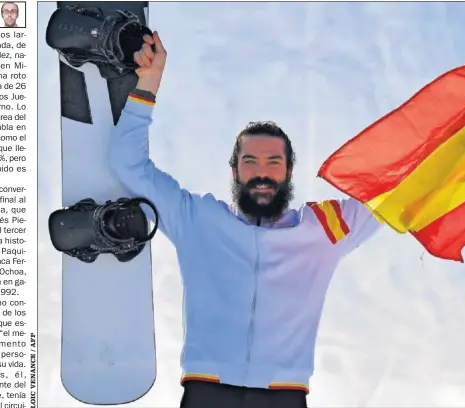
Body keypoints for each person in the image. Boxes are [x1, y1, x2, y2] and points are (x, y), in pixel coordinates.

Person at [109, 31, 382, 408]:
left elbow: (396, 191)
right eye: (250, 162)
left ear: (288, 172)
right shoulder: (199, 220)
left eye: (274, 162)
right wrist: (148, 84)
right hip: (207, 391)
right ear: (235, 171)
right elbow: (130, 165)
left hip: (283, 396)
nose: (262, 172)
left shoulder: (321, 231)